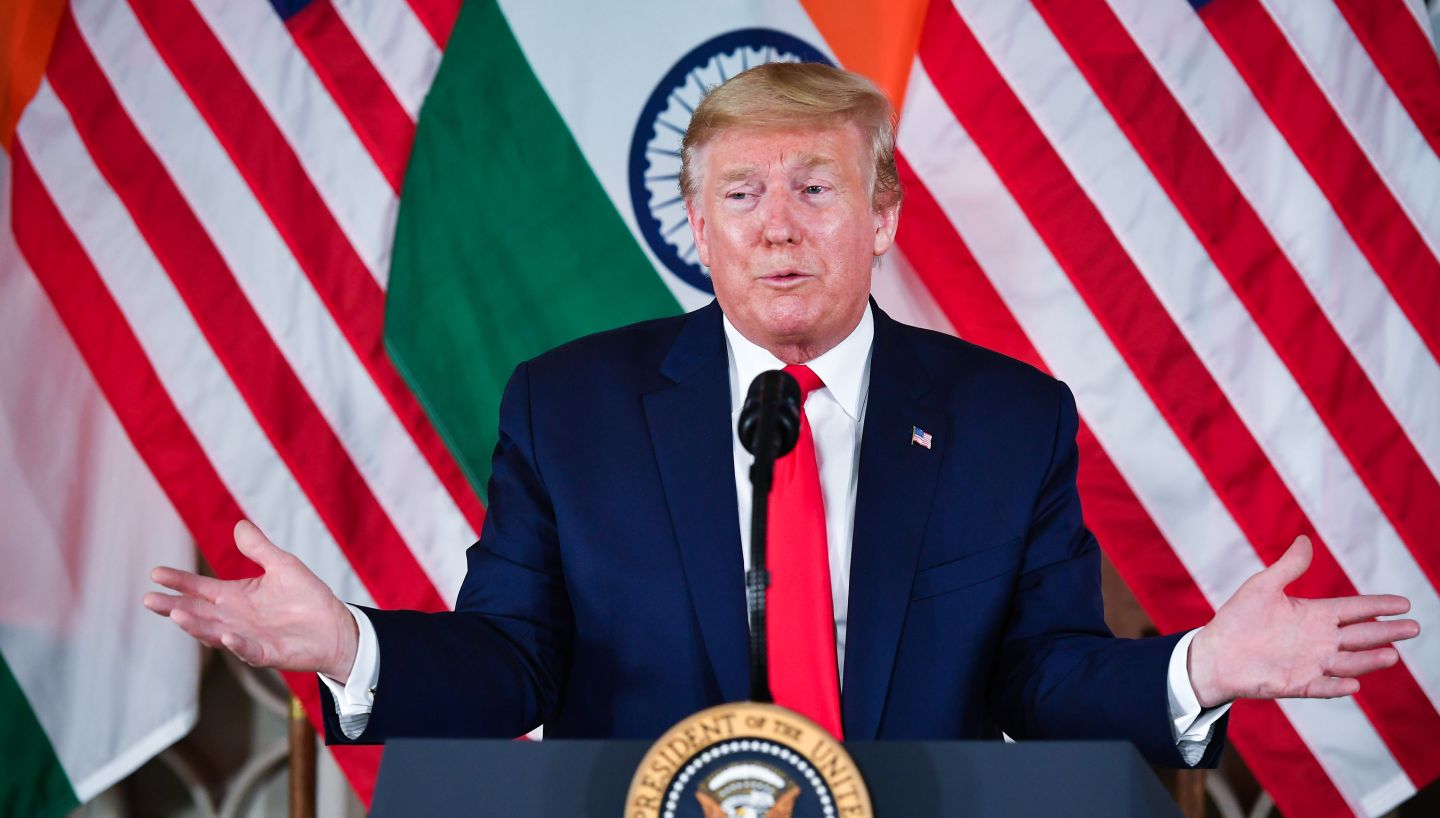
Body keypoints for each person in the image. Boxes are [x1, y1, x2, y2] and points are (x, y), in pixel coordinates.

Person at [143, 63, 1416, 768]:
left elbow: (1046, 675)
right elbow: (512, 660)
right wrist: (351, 647)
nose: (778, 223)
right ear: (697, 228)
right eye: (741, 191)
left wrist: (1202, 668)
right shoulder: (569, 408)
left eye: (817, 185)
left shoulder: (1007, 417)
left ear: (884, 218)